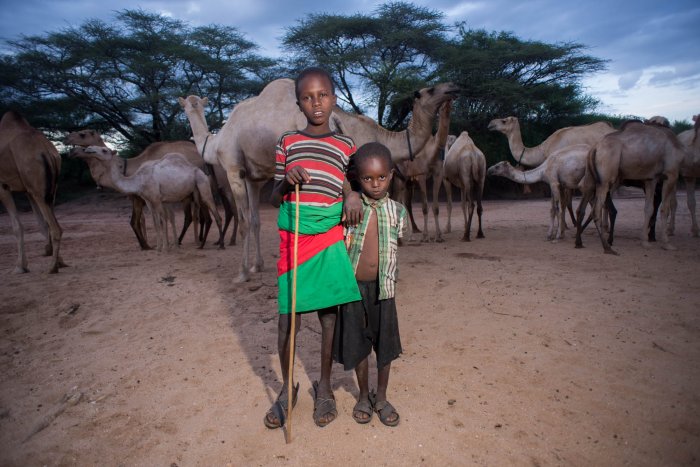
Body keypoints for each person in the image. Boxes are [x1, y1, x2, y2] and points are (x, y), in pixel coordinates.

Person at [265, 67, 363, 429]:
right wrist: (286, 184)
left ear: (334, 99)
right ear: (299, 103)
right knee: (287, 318)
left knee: (328, 316)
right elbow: (272, 197)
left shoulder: (346, 145)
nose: (316, 102)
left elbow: (351, 185)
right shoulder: (287, 142)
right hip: (295, 239)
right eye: (308, 97)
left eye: (322, 95)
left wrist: (351, 194)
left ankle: (324, 388)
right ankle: (286, 389)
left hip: (328, 235)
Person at [333, 142, 407, 427]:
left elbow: (399, 240)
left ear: (391, 175)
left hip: (384, 290)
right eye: (367, 178)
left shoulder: (398, 211)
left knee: (384, 347)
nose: (375, 184)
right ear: (357, 178)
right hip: (353, 290)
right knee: (359, 345)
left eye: (381, 177)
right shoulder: (351, 208)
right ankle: (364, 395)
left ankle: (382, 397)